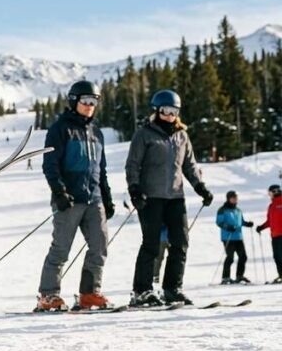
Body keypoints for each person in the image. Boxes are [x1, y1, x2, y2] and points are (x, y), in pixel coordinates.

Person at [126, 90, 213, 306]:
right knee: (152, 244)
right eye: (165, 110)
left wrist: (200, 187)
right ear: (157, 111)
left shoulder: (182, 135)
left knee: (181, 243)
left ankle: (172, 288)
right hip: (150, 197)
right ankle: (142, 291)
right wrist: (134, 190)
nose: (169, 115)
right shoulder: (144, 134)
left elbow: (190, 165)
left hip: (175, 196)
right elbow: (133, 164)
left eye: (174, 111)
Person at [35, 80, 113, 311]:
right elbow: (50, 165)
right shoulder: (60, 129)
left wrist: (106, 198)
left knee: (99, 247)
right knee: (61, 249)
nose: (90, 105)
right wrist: (59, 192)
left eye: (94, 101)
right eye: (86, 101)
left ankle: (89, 293)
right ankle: (48, 295)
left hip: (94, 198)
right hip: (69, 199)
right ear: (73, 101)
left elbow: (102, 170)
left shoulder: (96, 133)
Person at [215, 191, 254, 284]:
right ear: (228, 198)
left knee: (243, 257)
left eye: (236, 198)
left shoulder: (238, 210)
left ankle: (239, 276)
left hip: (238, 237)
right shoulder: (222, 209)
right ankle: (225, 277)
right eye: (233, 198)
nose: (235, 199)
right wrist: (228, 227)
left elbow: (241, 221)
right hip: (228, 237)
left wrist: (247, 224)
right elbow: (219, 222)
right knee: (230, 258)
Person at [256, 184, 282, 283]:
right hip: (275, 235)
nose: (269, 195)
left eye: (270, 193)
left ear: (275, 192)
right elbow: (270, 221)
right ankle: (281, 275)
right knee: (277, 257)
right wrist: (261, 227)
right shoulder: (271, 206)